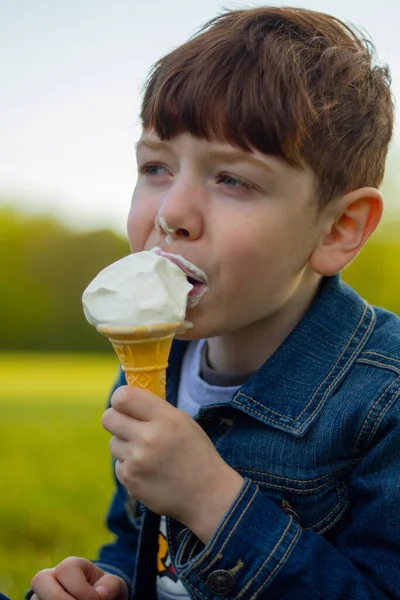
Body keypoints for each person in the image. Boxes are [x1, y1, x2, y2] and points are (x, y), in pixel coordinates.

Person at [30, 6, 400, 600]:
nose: (172, 212)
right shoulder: (156, 367)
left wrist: (213, 502)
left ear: (338, 229)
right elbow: (137, 538)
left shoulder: (384, 400)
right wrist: (113, 582)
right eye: (156, 167)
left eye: (232, 179)